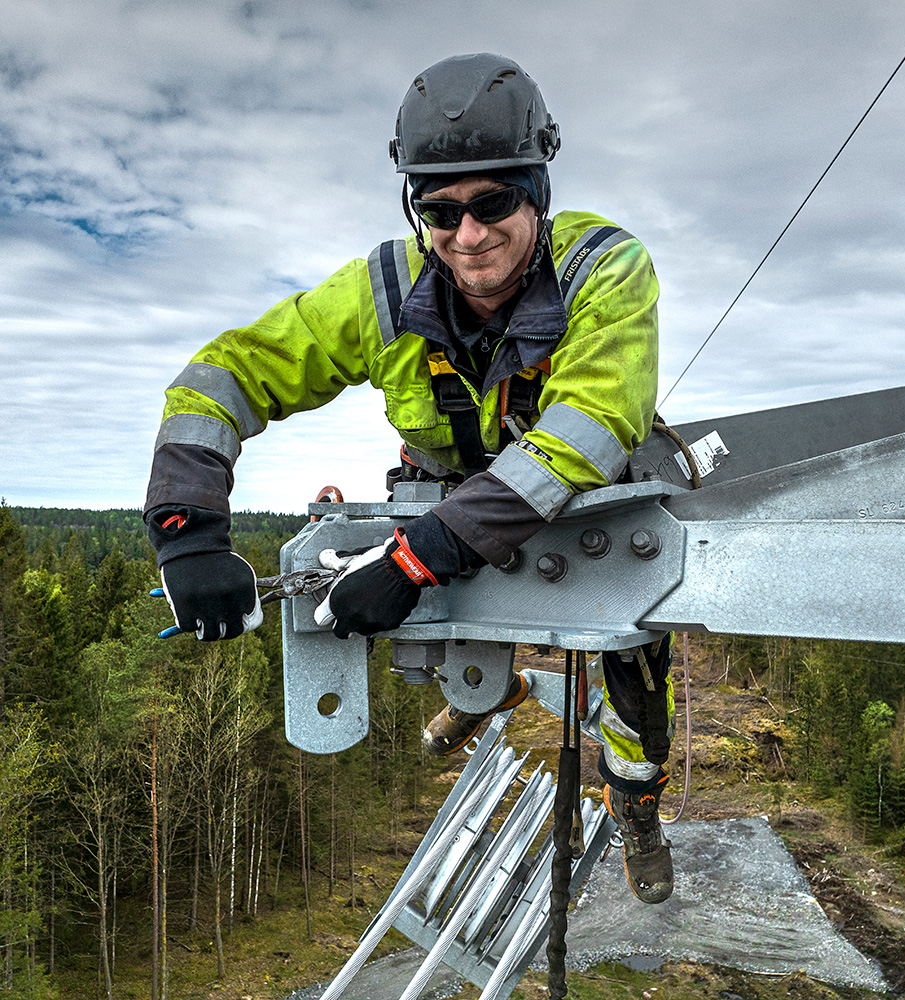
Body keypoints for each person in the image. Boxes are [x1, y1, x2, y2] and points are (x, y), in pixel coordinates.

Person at [144, 52, 676, 904]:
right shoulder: (385, 292)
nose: (468, 236)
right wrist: (185, 530)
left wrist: (414, 561)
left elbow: (588, 432)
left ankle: (637, 800)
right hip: (449, 508)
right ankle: (483, 685)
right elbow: (228, 374)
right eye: (440, 210)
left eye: (492, 203)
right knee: (450, 625)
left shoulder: (602, 271)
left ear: (535, 188)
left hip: (589, 505)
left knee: (639, 674)